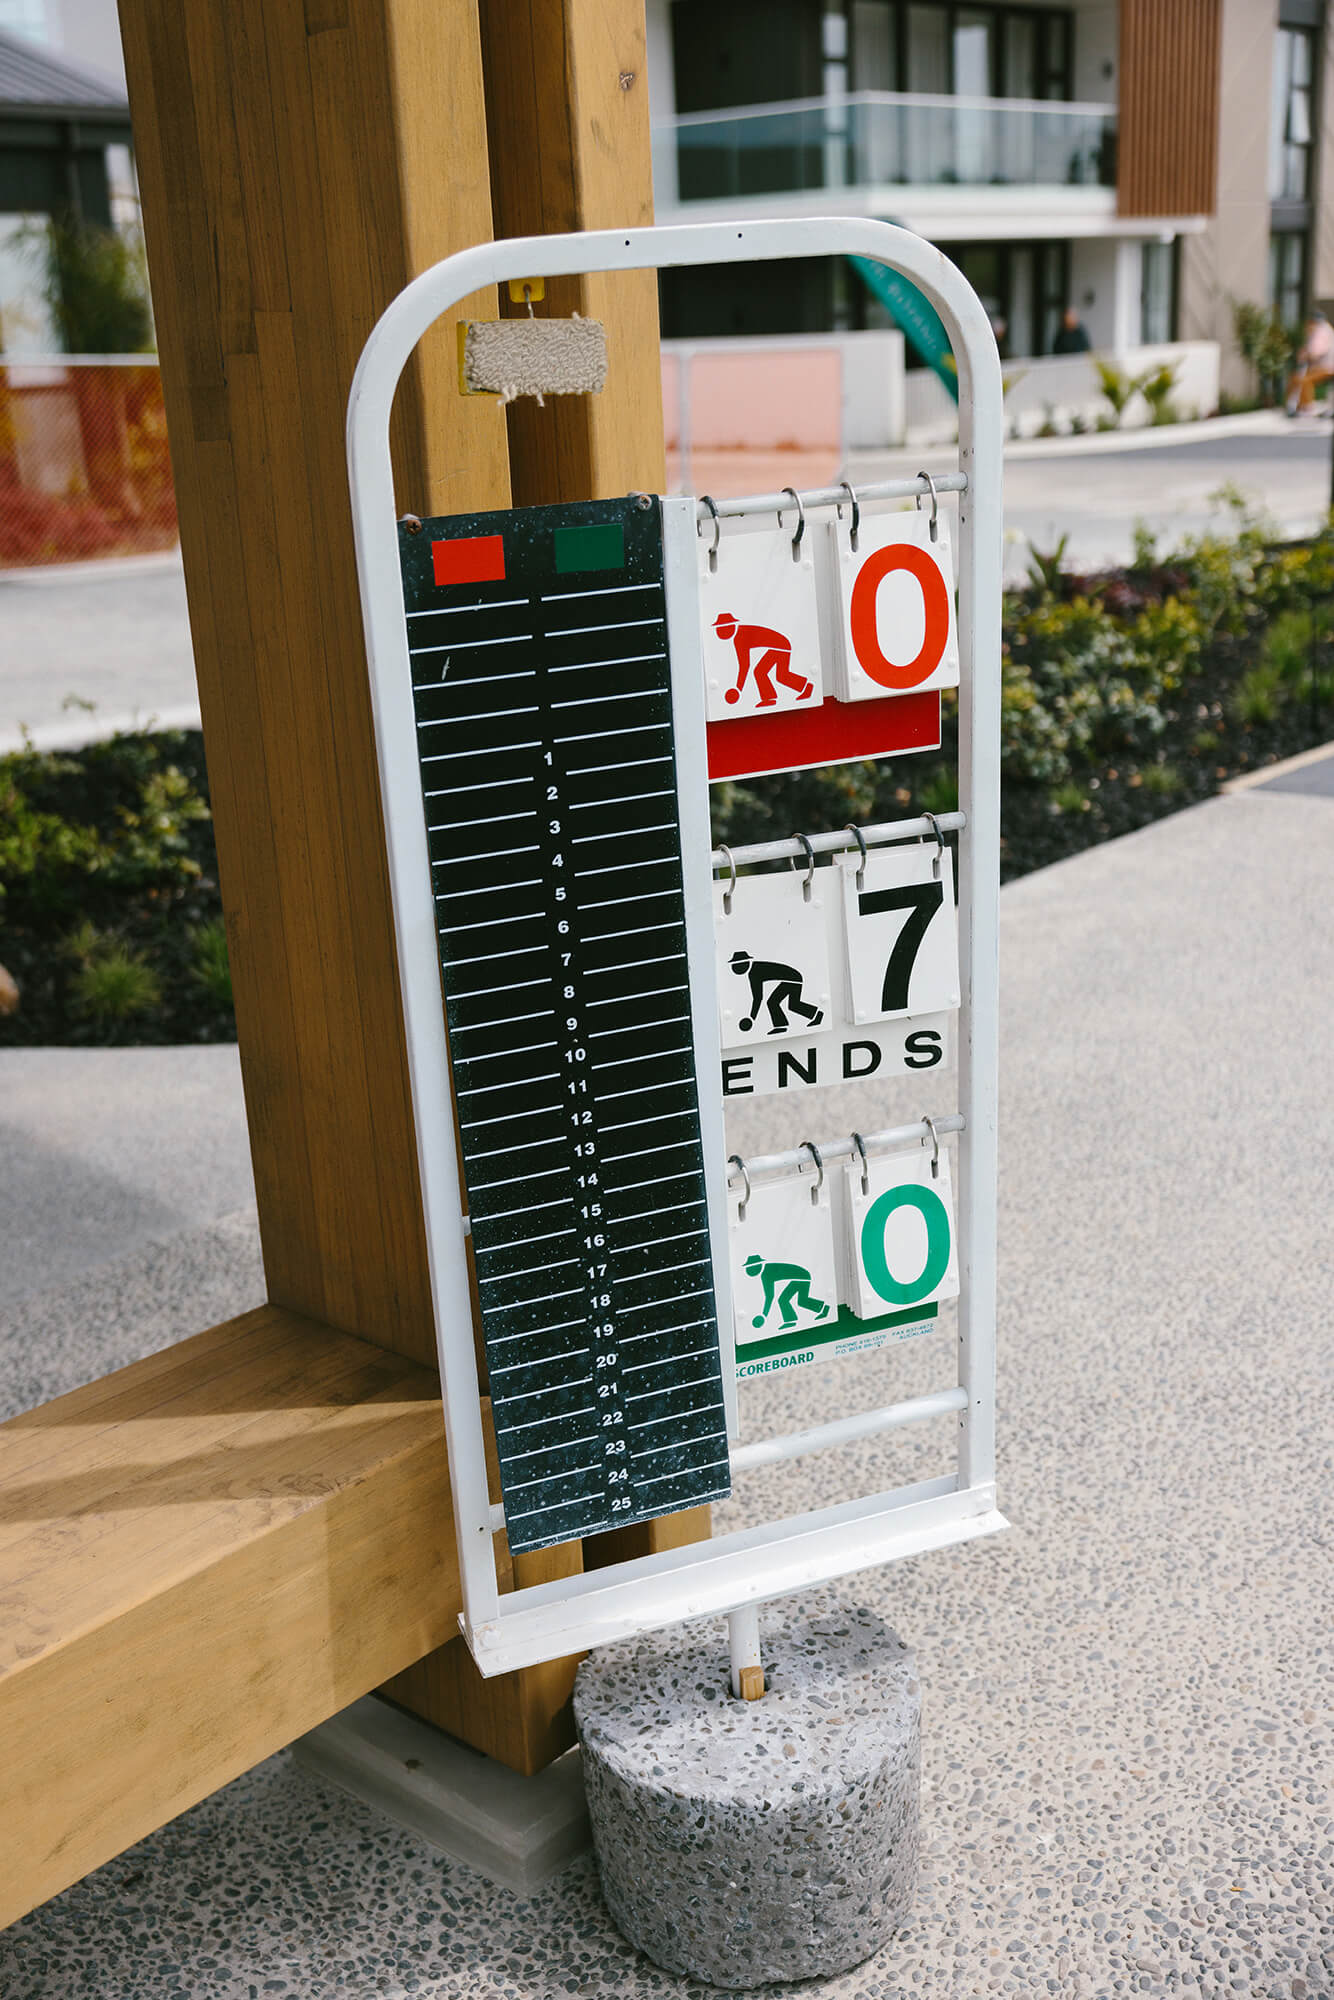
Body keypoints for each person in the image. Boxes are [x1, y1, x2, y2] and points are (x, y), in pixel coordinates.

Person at [1285, 310, 1334, 416]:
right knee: (1297, 378)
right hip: (1323, 366)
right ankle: (1299, 406)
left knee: (1303, 380)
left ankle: (1306, 407)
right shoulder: (1324, 329)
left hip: (1327, 367)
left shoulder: (1321, 330)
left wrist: (1305, 354)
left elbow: (1316, 352)